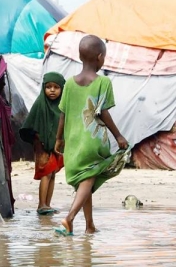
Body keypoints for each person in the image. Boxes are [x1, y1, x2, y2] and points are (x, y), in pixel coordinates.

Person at [54, 35, 130, 236]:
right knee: (88, 179)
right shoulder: (103, 82)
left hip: (73, 142)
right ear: (99, 57)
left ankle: (89, 226)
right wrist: (119, 136)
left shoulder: (69, 84)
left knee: (85, 180)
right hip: (93, 141)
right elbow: (103, 112)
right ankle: (69, 219)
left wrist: (59, 139)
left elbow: (62, 114)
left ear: (80, 56)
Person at [19, 72, 66, 215]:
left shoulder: (62, 107)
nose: (52, 90)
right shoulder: (40, 104)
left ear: (62, 89)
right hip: (43, 146)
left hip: (56, 147)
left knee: (52, 175)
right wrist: (40, 139)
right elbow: (30, 125)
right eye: (49, 87)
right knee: (46, 174)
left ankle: (48, 204)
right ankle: (41, 204)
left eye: (56, 87)